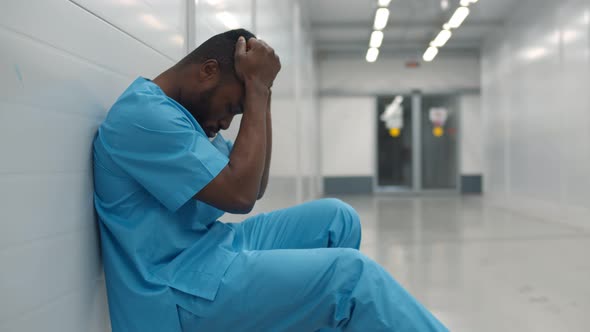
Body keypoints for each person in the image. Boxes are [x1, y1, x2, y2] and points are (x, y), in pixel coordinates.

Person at [93, 29, 448, 332]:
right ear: (208, 71)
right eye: (232, 107)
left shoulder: (187, 118)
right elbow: (241, 194)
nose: (228, 123)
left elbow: (257, 183)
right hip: (173, 289)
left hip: (209, 251)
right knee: (350, 277)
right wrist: (257, 89)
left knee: (337, 219)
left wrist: (261, 91)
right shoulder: (144, 116)